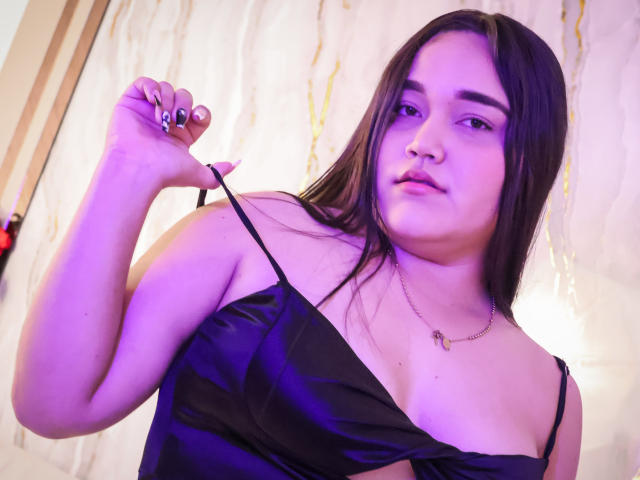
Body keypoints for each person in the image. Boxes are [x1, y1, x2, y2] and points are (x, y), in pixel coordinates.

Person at [12, 9, 582, 480]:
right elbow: (53, 404)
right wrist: (126, 169)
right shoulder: (257, 233)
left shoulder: (554, 398)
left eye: (475, 122)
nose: (424, 142)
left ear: (529, 159)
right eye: (407, 110)